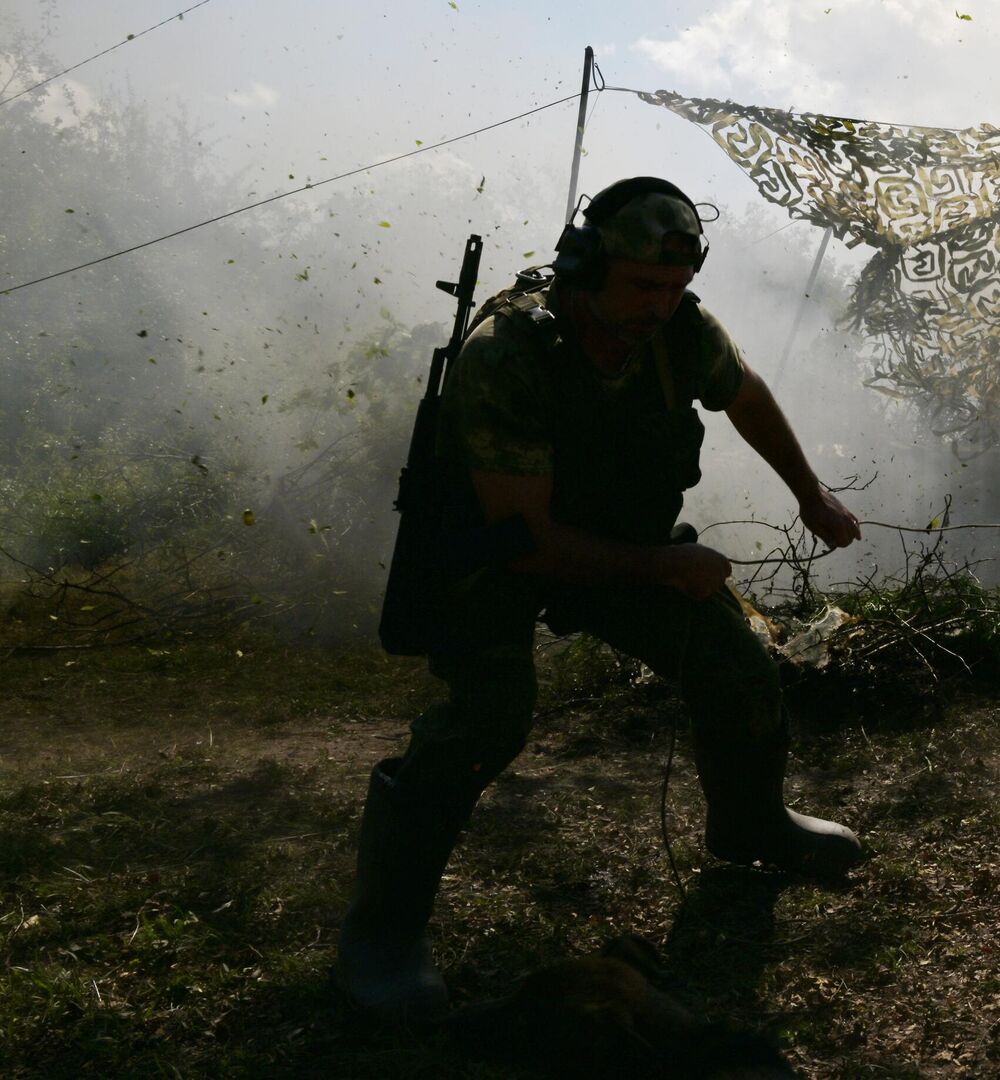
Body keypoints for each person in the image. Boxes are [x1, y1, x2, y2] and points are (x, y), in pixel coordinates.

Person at [334, 176, 863, 1022]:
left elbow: (744, 392)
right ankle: (383, 933)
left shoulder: (675, 330)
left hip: (617, 542)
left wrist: (809, 492)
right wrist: (661, 568)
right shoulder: (509, 354)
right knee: (487, 718)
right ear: (585, 266)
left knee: (730, 657)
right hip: (493, 558)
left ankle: (751, 825)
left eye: (674, 288)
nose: (660, 306)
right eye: (642, 287)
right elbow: (530, 541)